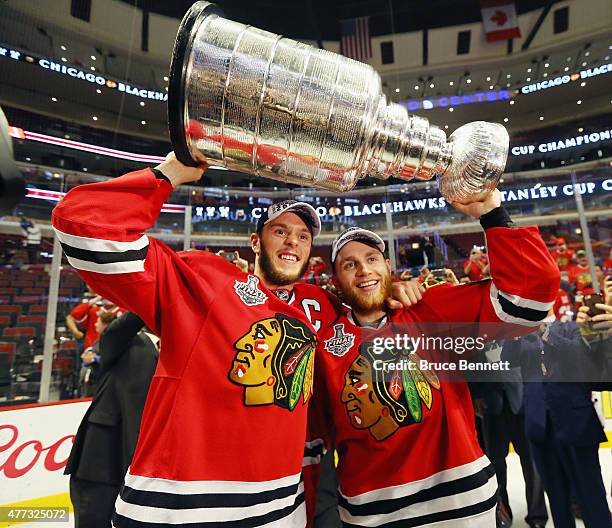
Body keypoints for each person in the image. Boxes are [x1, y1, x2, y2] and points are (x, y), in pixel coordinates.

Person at [52, 152, 421, 527]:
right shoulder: (209, 280)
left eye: (303, 236)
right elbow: (82, 225)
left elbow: (367, 327)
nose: (292, 242)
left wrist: (395, 294)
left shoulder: (322, 306)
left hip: (287, 502)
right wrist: (170, 173)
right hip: (178, 508)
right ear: (255, 241)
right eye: (280, 231)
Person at [306, 190, 560, 527]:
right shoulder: (325, 346)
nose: (363, 270)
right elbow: (312, 435)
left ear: (388, 268)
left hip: (463, 505)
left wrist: (492, 215)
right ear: (336, 281)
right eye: (349, 264)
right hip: (371, 515)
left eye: (371, 259)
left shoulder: (430, 310)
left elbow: (528, 302)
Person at [502, 317, 611, 528]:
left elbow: (579, 358)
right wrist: (513, 334)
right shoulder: (522, 333)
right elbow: (508, 360)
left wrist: (544, 331)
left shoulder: (572, 326)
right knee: (557, 500)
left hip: (576, 423)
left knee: (591, 496)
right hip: (539, 426)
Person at [66, 312, 159, 528]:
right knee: (93, 518)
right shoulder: (127, 341)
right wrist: (150, 300)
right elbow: (119, 328)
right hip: (101, 458)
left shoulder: (180, 354)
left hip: (142, 464)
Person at [79, 309, 118, 397]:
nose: (95, 324)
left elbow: (112, 360)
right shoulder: (100, 340)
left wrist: (94, 358)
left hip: (105, 385)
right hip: (93, 383)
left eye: (98, 322)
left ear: (105, 325)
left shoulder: (113, 342)